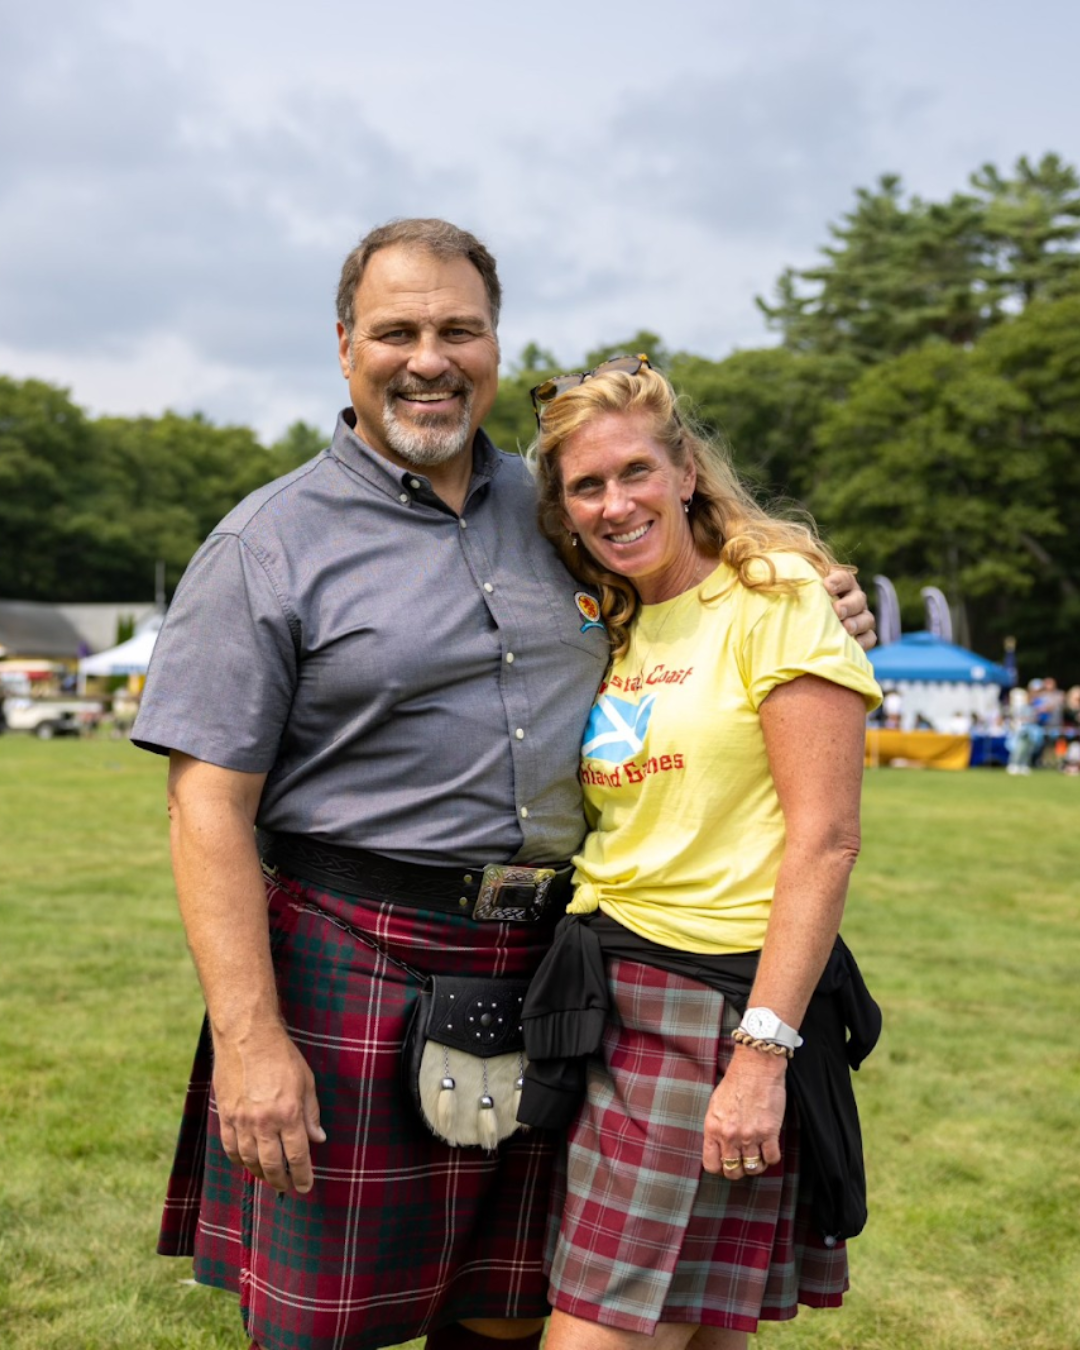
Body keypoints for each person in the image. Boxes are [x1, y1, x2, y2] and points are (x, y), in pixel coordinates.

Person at [132, 219, 877, 1350]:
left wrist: (820, 596)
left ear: (492, 346)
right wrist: (250, 1040)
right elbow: (206, 806)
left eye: (458, 330)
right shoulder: (266, 546)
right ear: (344, 348)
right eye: (396, 331)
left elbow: (694, 579)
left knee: (515, 1314)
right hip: (351, 955)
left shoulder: (562, 516)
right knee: (320, 1328)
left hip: (557, 975)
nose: (428, 357)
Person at [525, 357, 882, 1350]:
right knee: (696, 1334)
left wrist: (761, 1056)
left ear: (686, 473)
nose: (615, 503)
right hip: (609, 997)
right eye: (586, 486)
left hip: (715, 1004)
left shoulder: (774, 600)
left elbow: (825, 840)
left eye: (635, 471)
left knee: (598, 1332)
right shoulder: (617, 618)